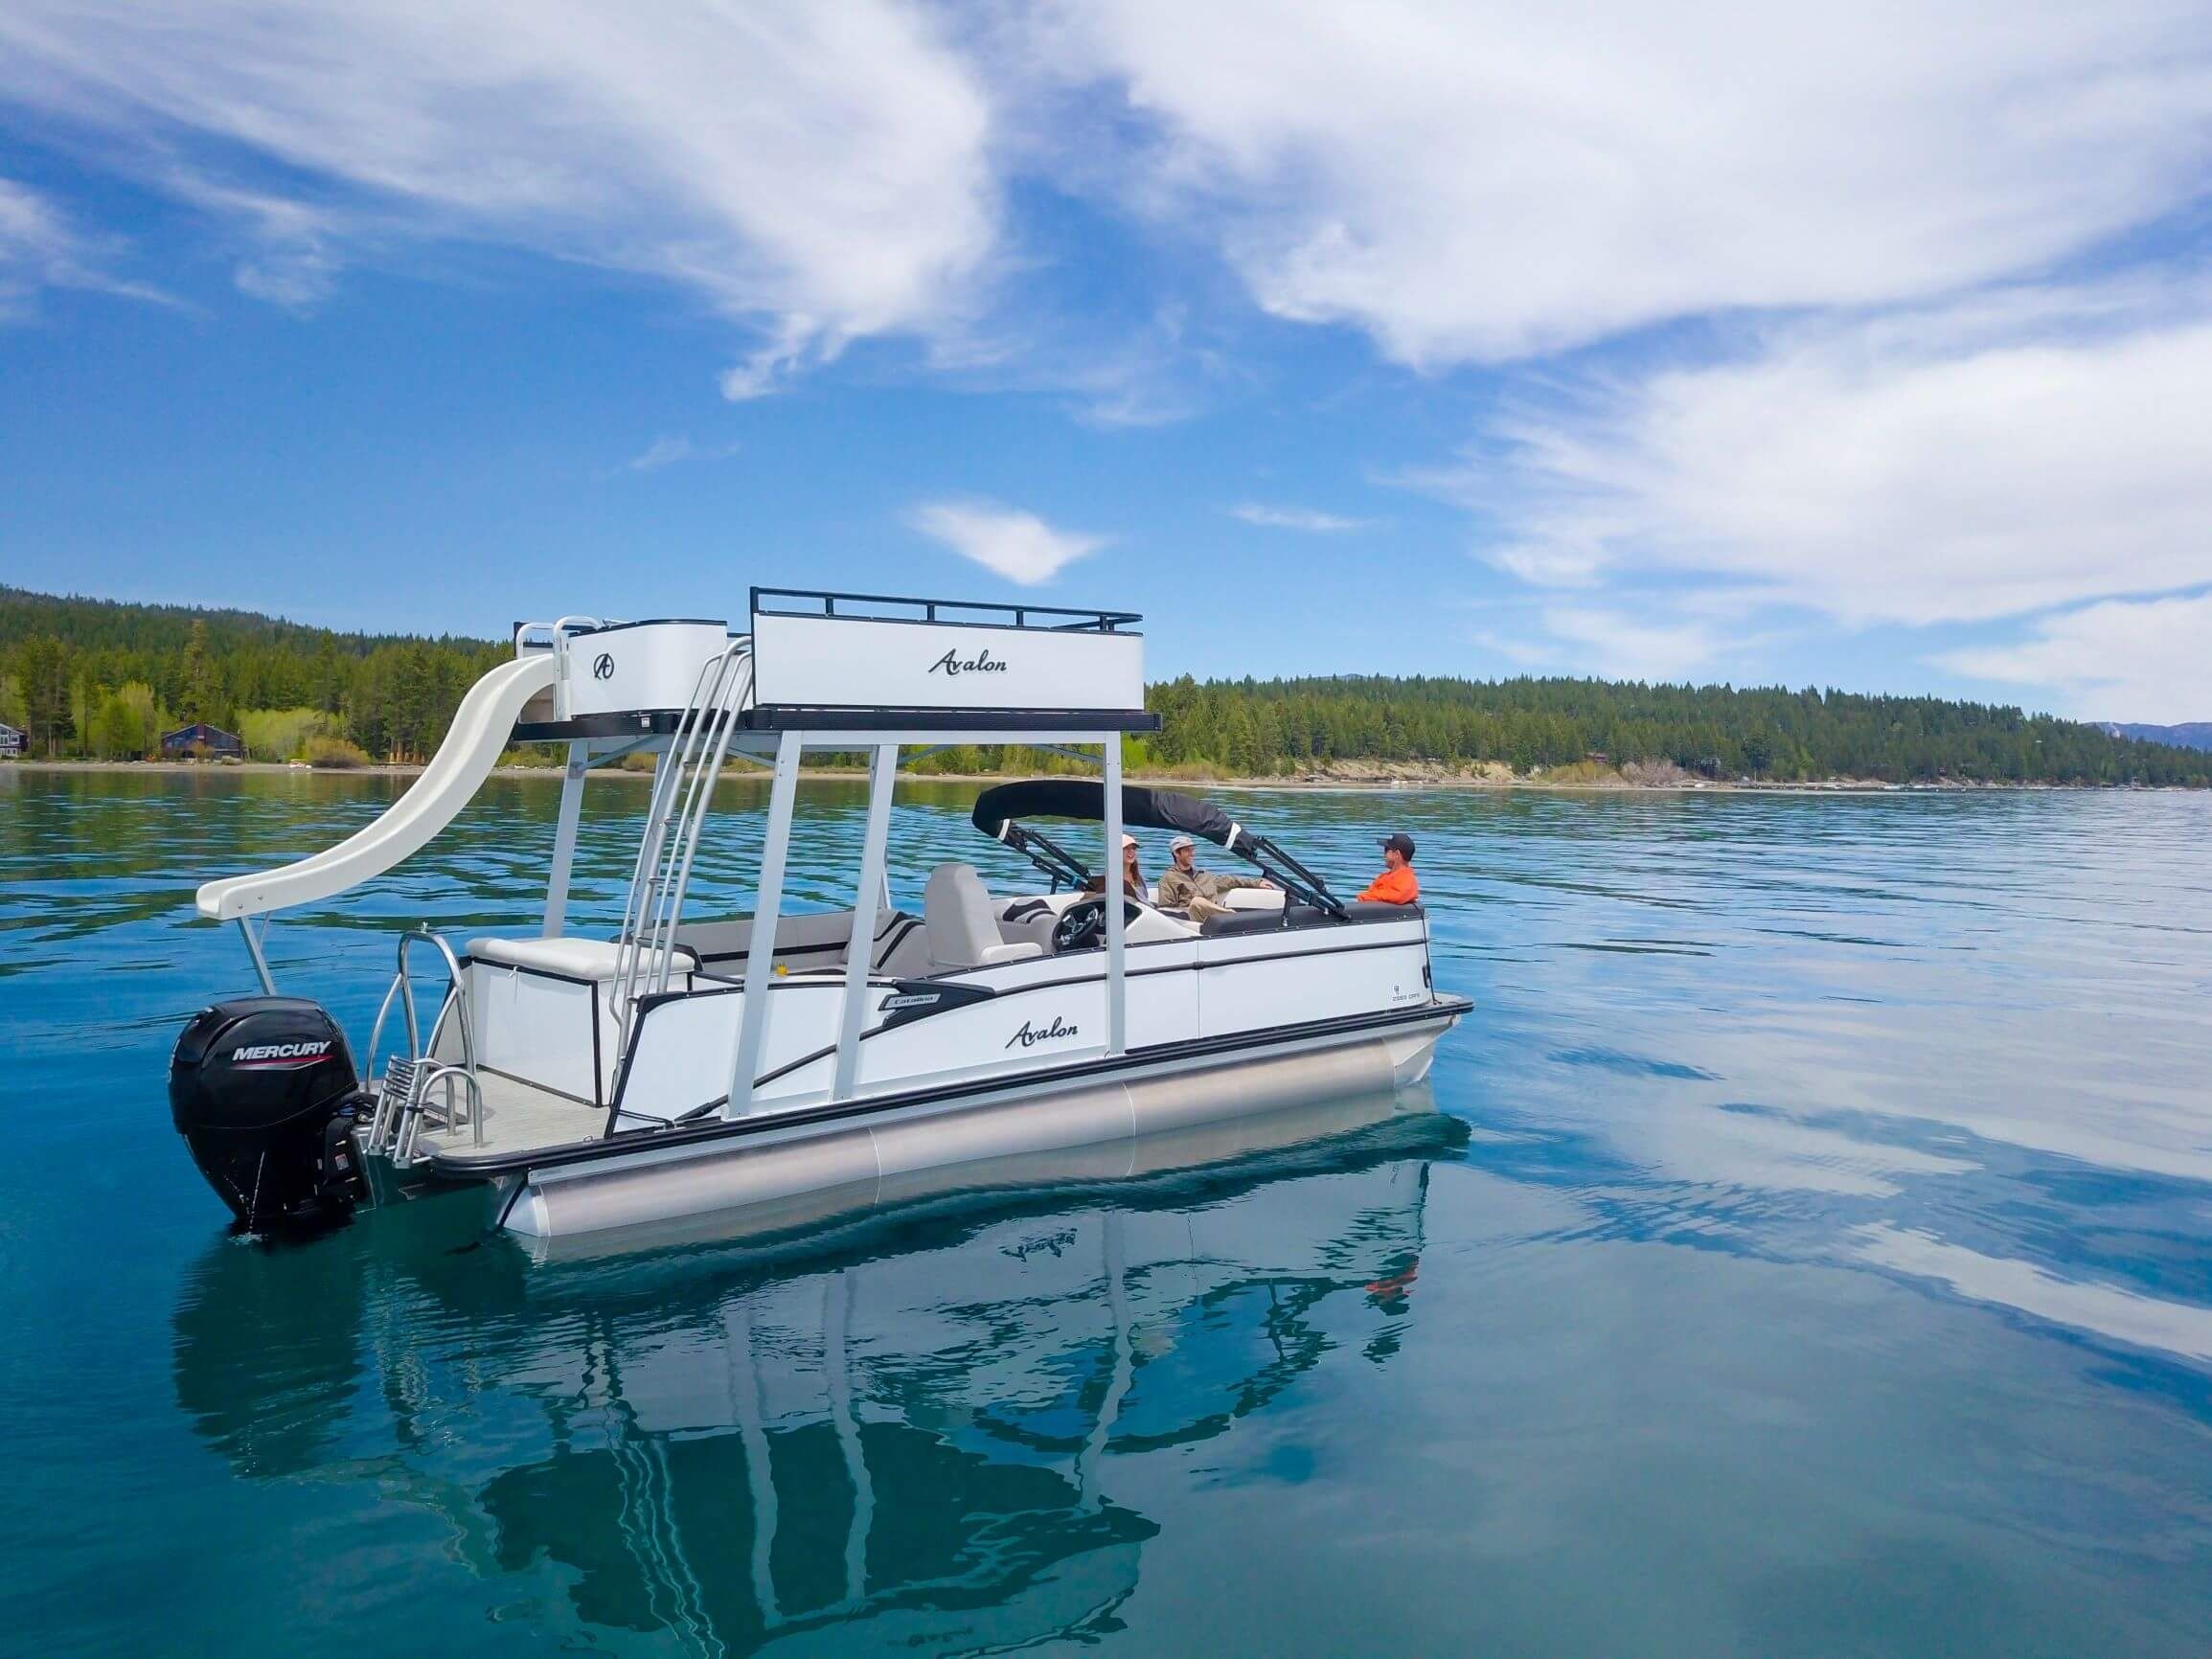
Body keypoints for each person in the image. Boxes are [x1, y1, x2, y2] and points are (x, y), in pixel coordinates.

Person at [1156, 833, 1275, 921]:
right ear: (1177, 853)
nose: (1193, 854)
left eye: (1193, 850)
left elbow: (1229, 880)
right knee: (1197, 902)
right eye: (1187, 851)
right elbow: (1166, 909)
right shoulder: (1169, 879)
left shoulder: (1203, 874)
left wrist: (1257, 882)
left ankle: (1230, 918)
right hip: (1191, 920)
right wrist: (1186, 912)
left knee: (1203, 901)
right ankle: (1234, 917)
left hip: (1214, 919)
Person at [1357, 832, 1419, 904]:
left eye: (1386, 850)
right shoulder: (1387, 876)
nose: (1384, 855)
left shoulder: (1406, 881)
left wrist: (1364, 896)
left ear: (1397, 854)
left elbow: (1398, 896)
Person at [1083, 833, 1148, 899]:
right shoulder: (1103, 881)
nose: (1131, 851)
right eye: (1126, 848)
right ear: (1115, 851)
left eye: (1134, 848)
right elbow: (1086, 902)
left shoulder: (1139, 878)